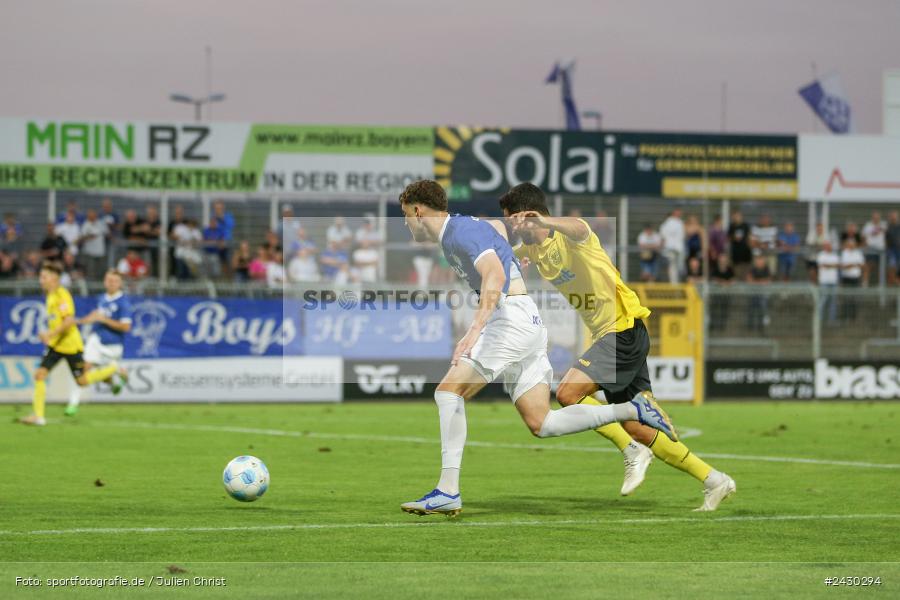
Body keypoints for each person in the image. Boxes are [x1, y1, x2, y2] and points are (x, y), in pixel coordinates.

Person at [397, 180, 676, 517]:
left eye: (404, 216)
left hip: (508, 321)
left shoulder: (458, 233)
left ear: (417, 210)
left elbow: (493, 277)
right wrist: (510, 257)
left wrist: (473, 331)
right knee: (541, 423)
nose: (405, 224)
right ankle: (633, 411)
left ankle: (448, 491)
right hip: (526, 322)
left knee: (447, 393)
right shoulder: (464, 227)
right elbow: (497, 229)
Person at [500, 183, 734, 510]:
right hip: (614, 336)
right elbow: (501, 256)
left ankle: (631, 450)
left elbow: (582, 227)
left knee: (568, 394)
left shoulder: (569, 236)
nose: (510, 225)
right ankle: (714, 480)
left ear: (530, 216)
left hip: (622, 329)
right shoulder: (532, 250)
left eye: (512, 219)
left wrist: (546, 222)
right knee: (638, 426)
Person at [19, 262, 123, 426]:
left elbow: (69, 321)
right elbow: (57, 321)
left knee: (81, 381)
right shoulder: (50, 295)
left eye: (44, 277)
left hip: (71, 346)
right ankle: (38, 416)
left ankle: (113, 369)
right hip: (56, 345)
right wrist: (50, 335)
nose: (41, 280)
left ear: (54, 278)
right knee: (40, 375)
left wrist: (50, 334)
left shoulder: (62, 295)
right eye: (41, 276)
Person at [66, 270, 131, 416]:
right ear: (104, 281)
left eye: (114, 281)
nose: (111, 283)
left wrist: (105, 320)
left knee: (105, 377)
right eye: (108, 280)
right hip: (96, 340)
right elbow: (96, 315)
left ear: (120, 283)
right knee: (84, 368)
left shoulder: (123, 302)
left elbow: (126, 327)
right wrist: (79, 321)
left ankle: (116, 378)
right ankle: (72, 404)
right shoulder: (102, 298)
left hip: (113, 345)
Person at [746, 252, 772, 332]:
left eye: (761, 260)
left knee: (762, 306)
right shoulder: (752, 269)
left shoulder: (766, 269)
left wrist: (756, 282)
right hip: (753, 292)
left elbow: (768, 281)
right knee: (751, 308)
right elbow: (749, 280)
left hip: (763, 293)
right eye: (758, 260)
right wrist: (760, 282)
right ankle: (750, 326)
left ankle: (761, 326)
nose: (760, 261)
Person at [79, 209, 108, 280]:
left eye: (93, 215)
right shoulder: (85, 224)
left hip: (100, 252)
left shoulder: (101, 223)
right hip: (90, 253)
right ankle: (91, 289)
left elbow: (107, 233)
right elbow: (82, 237)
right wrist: (89, 236)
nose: (92, 217)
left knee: (101, 271)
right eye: (90, 216)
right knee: (90, 271)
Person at [840, 238, 864, 322]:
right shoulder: (844, 253)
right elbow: (844, 266)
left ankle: (854, 317)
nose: (851, 246)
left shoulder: (858, 253)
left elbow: (861, 265)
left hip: (855, 278)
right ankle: (846, 316)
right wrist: (854, 264)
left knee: (855, 297)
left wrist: (851, 265)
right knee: (846, 297)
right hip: (846, 278)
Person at [816, 241, 840, 324]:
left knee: (833, 300)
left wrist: (828, 265)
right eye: (827, 245)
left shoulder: (834, 255)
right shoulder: (821, 255)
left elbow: (837, 265)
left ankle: (832, 319)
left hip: (833, 280)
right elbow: (822, 265)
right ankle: (819, 319)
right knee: (823, 299)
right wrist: (831, 265)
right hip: (824, 281)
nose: (829, 247)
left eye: (829, 245)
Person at [709, 254, 735, 331]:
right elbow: (713, 279)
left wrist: (725, 283)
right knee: (714, 310)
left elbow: (733, 280)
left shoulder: (730, 269)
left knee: (724, 310)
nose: (723, 262)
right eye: (721, 260)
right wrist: (723, 282)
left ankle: (721, 326)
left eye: (724, 260)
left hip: (726, 294)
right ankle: (712, 325)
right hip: (716, 294)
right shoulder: (715, 269)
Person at [659, 209, 685, 283]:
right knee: (674, 268)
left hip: (672, 249)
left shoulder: (666, 224)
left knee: (674, 268)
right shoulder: (677, 223)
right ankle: (675, 284)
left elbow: (662, 237)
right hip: (673, 249)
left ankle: (674, 283)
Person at [862, 212, 886, 286]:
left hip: (881, 249)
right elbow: (863, 236)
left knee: (881, 267)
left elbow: (887, 235)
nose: (876, 219)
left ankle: (881, 284)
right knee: (868, 266)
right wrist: (866, 245)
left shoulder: (884, 225)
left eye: (877, 217)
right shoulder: (868, 225)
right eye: (874, 217)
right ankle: (865, 283)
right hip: (871, 248)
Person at [728, 211, 752, 281]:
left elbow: (749, 237)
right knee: (737, 275)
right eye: (735, 216)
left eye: (738, 216)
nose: (737, 218)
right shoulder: (731, 226)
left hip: (746, 255)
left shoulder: (746, 226)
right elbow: (728, 238)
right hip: (736, 256)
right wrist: (734, 238)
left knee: (745, 276)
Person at [888, 211, 900, 285]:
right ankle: (892, 282)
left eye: (894, 216)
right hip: (892, 250)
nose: (893, 218)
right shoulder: (888, 227)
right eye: (892, 216)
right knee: (892, 267)